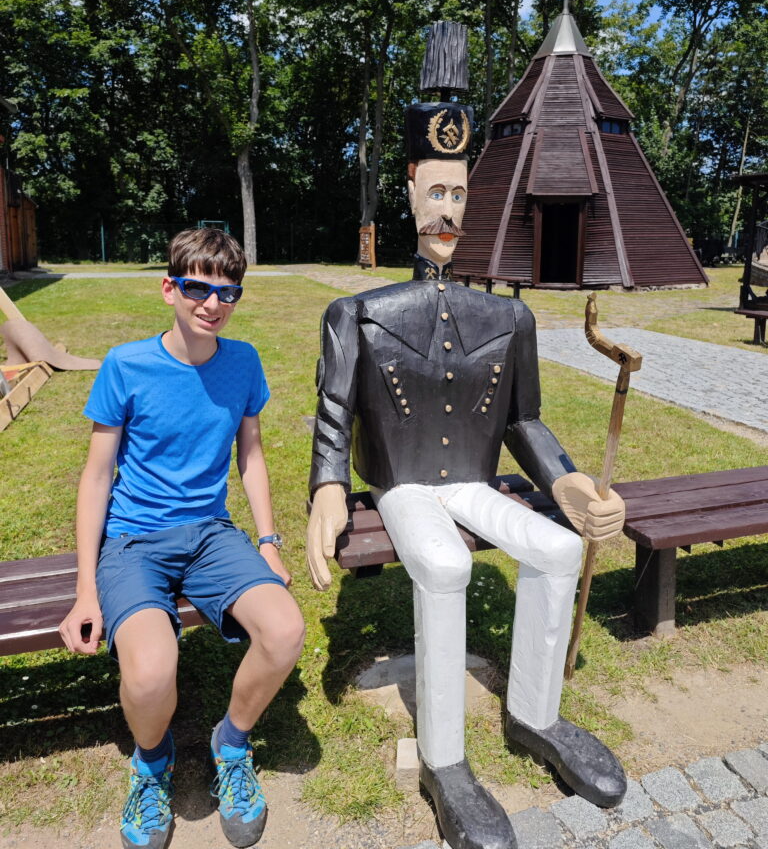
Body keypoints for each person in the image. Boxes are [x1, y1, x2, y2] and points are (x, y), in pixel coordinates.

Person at [306, 91, 627, 849]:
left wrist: (567, 482)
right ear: (410, 186)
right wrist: (326, 487)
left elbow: (522, 420)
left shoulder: (507, 319)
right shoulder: (358, 312)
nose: (448, 210)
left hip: (475, 479)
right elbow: (332, 411)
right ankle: (445, 764)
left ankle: (535, 716)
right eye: (436, 191)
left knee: (557, 548)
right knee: (445, 565)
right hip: (405, 482)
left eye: (460, 194)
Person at [59, 228, 305, 849]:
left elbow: (250, 453)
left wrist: (269, 541)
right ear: (169, 288)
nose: (212, 304)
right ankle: (152, 762)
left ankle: (232, 742)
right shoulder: (126, 365)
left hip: (210, 535)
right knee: (149, 674)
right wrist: (86, 591)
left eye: (228, 292)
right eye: (198, 287)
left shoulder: (243, 361)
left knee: (284, 630)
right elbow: (95, 478)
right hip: (133, 540)